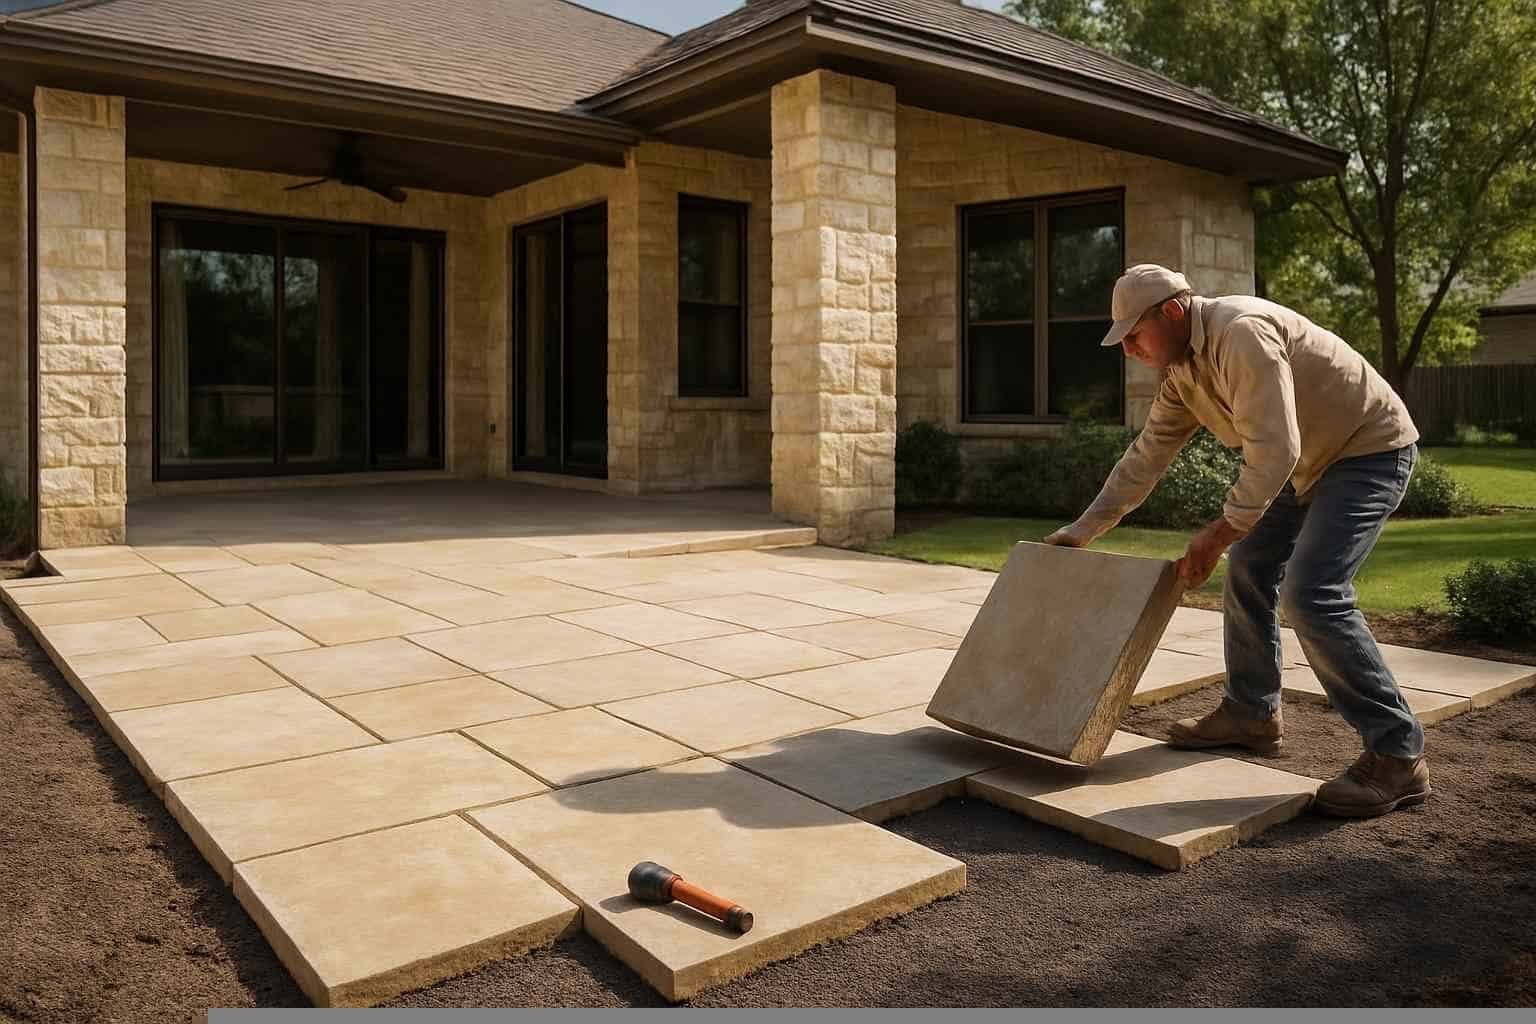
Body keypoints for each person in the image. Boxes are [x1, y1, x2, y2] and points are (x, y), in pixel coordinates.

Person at [1045, 263, 1428, 818]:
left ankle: (1398, 754)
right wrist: (1081, 531)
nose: (1128, 348)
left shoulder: (1241, 331)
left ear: (1172, 311)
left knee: (1312, 592)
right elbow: (1145, 459)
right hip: (1304, 467)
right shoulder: (1182, 371)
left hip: (1366, 451)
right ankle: (1251, 714)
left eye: (1134, 334)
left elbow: (1275, 450)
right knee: (1250, 567)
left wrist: (1219, 533)